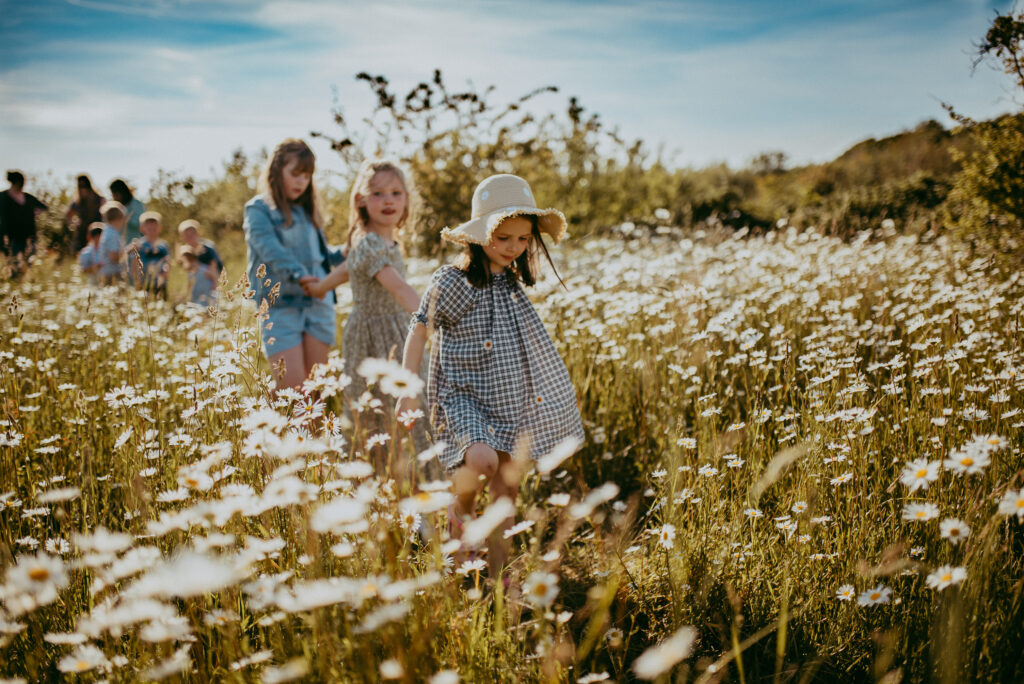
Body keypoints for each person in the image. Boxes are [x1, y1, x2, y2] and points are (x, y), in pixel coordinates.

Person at [400, 174, 585, 575]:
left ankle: (499, 576)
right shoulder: (452, 281)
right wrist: (407, 387)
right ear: (480, 235)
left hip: (508, 400)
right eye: (504, 239)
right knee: (481, 460)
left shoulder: (511, 281)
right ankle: (452, 512)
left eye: (522, 239)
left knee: (506, 487)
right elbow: (419, 329)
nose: (513, 248)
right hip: (462, 396)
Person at [303, 160, 425, 462]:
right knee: (374, 410)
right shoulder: (369, 242)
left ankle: (404, 472)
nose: (388, 200)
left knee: (406, 403)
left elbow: (348, 269)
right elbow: (396, 287)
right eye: (378, 193)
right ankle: (375, 476)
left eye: (396, 193)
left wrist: (321, 287)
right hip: (373, 337)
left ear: (407, 199)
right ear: (361, 200)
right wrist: (434, 320)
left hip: (396, 329)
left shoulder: (381, 241)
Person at [243, 138, 346, 391]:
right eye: (295, 174)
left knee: (315, 394)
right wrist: (299, 275)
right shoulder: (259, 209)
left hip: (318, 305)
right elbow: (269, 249)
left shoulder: (307, 211)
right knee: (292, 394)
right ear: (277, 172)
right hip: (281, 307)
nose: (301, 181)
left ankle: (318, 434)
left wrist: (348, 250)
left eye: (307, 176)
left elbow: (323, 258)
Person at [1, 170, 47, 274]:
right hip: (11, 238)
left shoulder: (27, 197)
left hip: (29, 236)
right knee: (14, 266)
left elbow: (43, 208)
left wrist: (32, 215)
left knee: (29, 265)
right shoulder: (3, 197)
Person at [177, 219, 222, 295]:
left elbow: (214, 269)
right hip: (194, 283)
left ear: (198, 234)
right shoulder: (184, 251)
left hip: (209, 281)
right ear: (182, 237)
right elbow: (186, 270)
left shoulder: (208, 248)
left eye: (192, 234)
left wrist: (214, 286)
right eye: (186, 235)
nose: (190, 237)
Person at [134, 211, 170, 299]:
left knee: (161, 303)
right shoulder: (139, 244)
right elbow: (134, 262)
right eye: (149, 228)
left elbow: (167, 260)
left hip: (160, 282)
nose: (152, 231)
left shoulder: (163, 245)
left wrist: (166, 270)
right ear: (142, 229)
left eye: (155, 228)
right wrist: (136, 280)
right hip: (144, 282)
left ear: (160, 228)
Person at [66, 175, 105, 252]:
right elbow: (68, 215)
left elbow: (106, 213)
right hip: (82, 234)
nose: (83, 189)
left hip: (97, 233)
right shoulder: (78, 202)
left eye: (84, 186)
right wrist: (74, 223)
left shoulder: (99, 199)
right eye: (80, 186)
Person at [97, 201, 126, 286]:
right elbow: (113, 257)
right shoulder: (112, 234)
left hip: (107, 271)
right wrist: (129, 250)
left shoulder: (107, 232)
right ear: (118, 219)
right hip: (112, 274)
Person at [109, 179, 146, 245]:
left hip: (136, 246)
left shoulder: (137, 205)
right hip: (120, 247)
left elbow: (140, 224)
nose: (114, 197)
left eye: (116, 194)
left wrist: (125, 216)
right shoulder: (116, 208)